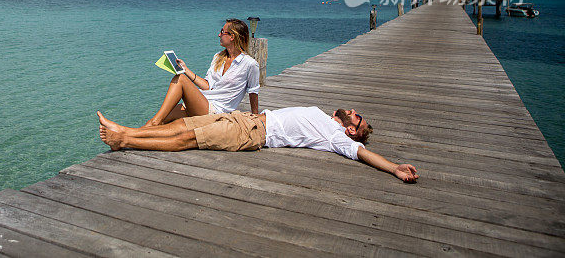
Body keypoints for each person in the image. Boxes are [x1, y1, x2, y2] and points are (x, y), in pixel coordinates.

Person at [98, 106, 419, 183]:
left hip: (252, 135)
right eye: (355, 112)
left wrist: (394, 168)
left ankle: (124, 139)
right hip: (247, 117)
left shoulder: (336, 138)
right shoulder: (326, 116)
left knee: (187, 139)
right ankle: (125, 131)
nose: (352, 112)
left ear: (351, 132)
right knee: (184, 124)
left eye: (356, 118)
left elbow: (364, 155)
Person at [144, 18, 259, 127]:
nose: (219, 35)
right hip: (201, 103)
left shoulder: (249, 64)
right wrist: (185, 69)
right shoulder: (218, 57)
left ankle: (147, 127)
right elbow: (208, 86)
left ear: (232, 36)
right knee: (159, 120)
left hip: (217, 111)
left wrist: (255, 115)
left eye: (222, 32)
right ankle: (130, 138)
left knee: (180, 79)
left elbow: (253, 91)